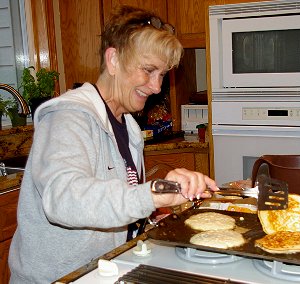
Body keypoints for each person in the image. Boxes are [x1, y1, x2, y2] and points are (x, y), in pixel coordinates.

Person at [8, 6, 218, 283]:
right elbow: (64, 198)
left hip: (102, 272)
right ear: (113, 59)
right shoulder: (68, 117)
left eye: (162, 74)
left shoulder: (128, 126)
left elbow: (115, 207)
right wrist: (151, 195)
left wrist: (153, 217)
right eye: (149, 70)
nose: (156, 87)